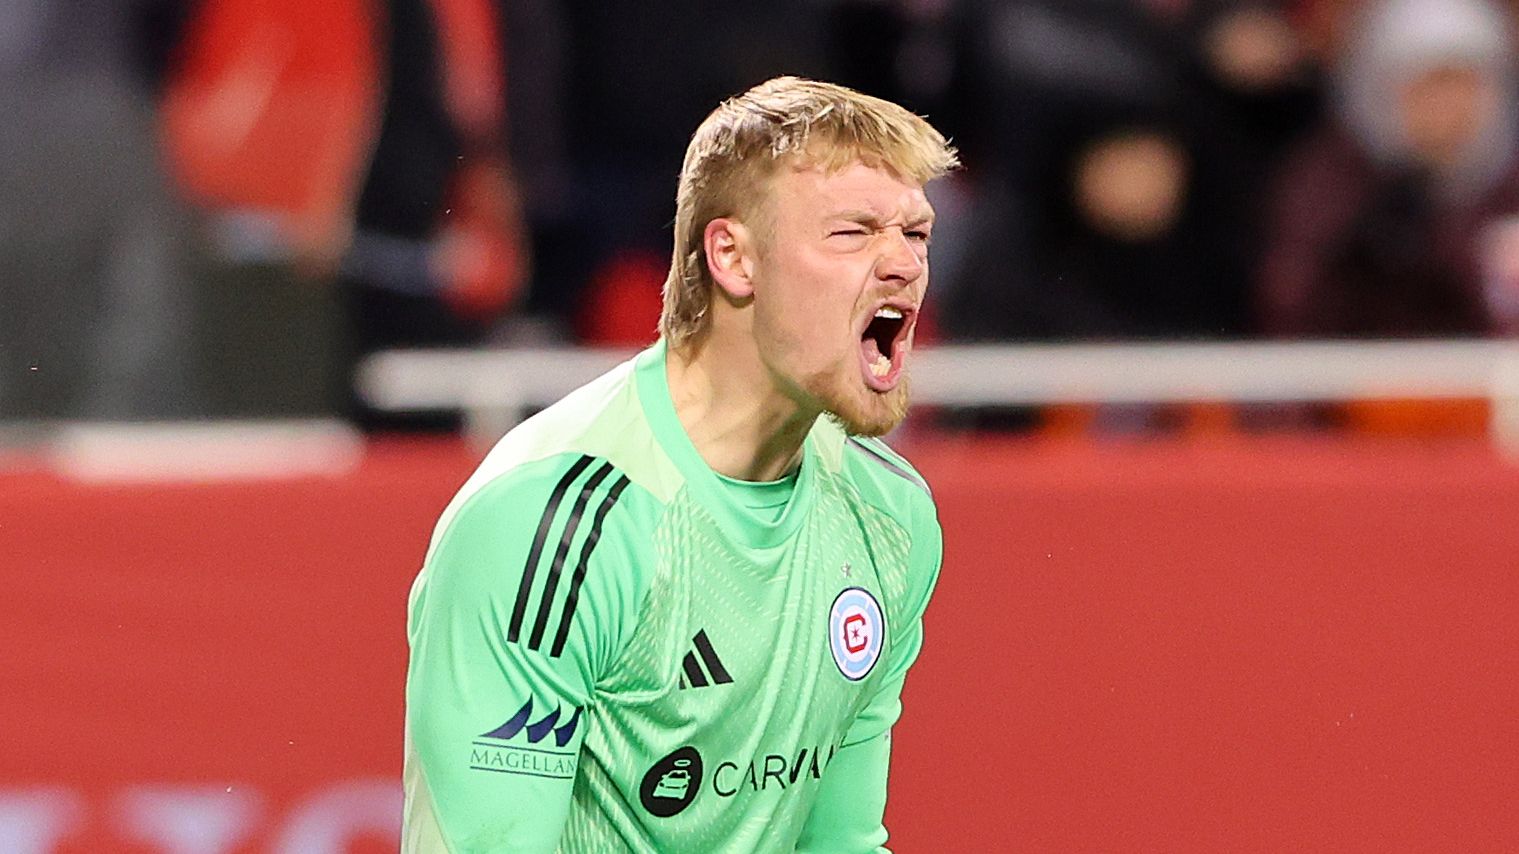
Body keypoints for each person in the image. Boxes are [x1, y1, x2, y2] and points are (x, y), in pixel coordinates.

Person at [403, 76, 957, 852]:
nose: (902, 264)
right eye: (852, 232)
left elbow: (842, 842)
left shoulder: (889, 517)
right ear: (732, 257)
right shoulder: (552, 524)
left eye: (916, 233)